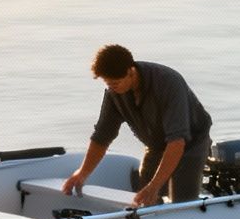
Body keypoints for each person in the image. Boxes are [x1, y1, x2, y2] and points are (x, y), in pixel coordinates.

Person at [60, 44, 213, 206]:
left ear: (131, 72)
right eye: (108, 83)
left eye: (116, 83)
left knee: (181, 201)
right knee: (143, 196)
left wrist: (155, 186)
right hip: (156, 144)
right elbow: (102, 136)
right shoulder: (114, 93)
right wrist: (82, 173)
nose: (112, 87)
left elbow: (177, 142)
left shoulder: (169, 83)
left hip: (190, 143)